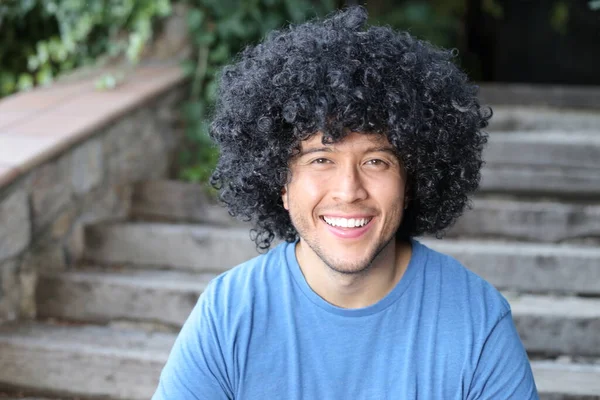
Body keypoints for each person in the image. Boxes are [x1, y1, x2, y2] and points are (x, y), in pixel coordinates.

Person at [153, 6, 538, 399]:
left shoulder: (477, 319)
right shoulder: (229, 314)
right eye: (321, 159)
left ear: (410, 181)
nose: (348, 189)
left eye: (376, 161)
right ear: (280, 183)